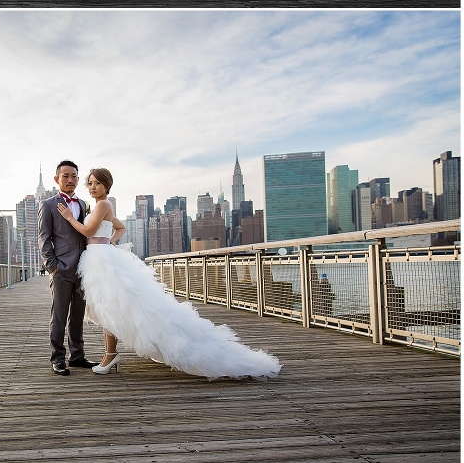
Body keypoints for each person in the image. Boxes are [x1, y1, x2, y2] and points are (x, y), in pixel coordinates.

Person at [57, 168, 282, 380]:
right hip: (99, 257)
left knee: (112, 308)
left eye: (98, 183)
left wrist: (70, 218)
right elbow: (120, 228)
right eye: (90, 183)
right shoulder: (99, 206)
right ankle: (110, 353)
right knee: (111, 309)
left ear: (107, 186)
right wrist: (107, 242)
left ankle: (110, 355)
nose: (93, 186)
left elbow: (87, 231)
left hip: (101, 259)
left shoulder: (102, 204)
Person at [37, 160, 99, 375]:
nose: (70, 180)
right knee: (59, 316)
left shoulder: (82, 204)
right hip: (61, 270)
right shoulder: (48, 205)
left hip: (83, 268)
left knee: (78, 315)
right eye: (66, 176)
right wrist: (52, 267)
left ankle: (77, 355)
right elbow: (44, 239)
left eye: (74, 176)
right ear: (57, 179)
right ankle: (57, 358)